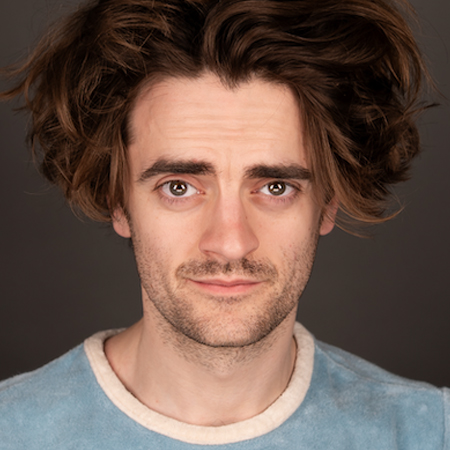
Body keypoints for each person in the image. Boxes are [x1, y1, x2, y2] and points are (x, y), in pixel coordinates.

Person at [0, 0, 448, 448]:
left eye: (275, 187)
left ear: (328, 204)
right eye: (179, 187)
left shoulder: (427, 432)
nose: (231, 243)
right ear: (118, 202)